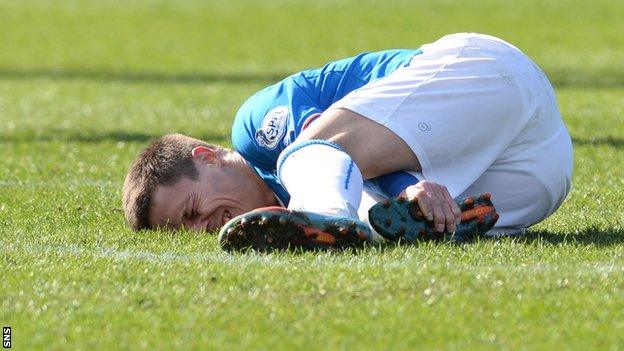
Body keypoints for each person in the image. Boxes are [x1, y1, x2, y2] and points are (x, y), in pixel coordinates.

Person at [122, 33, 573, 250]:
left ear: (207, 157)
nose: (203, 227)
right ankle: (427, 223)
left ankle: (328, 222)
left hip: (481, 74)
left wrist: (403, 187)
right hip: (539, 173)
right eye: (185, 230)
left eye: (192, 210)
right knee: (377, 218)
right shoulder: (285, 196)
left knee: (303, 157)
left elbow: (341, 144)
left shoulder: (254, 127)